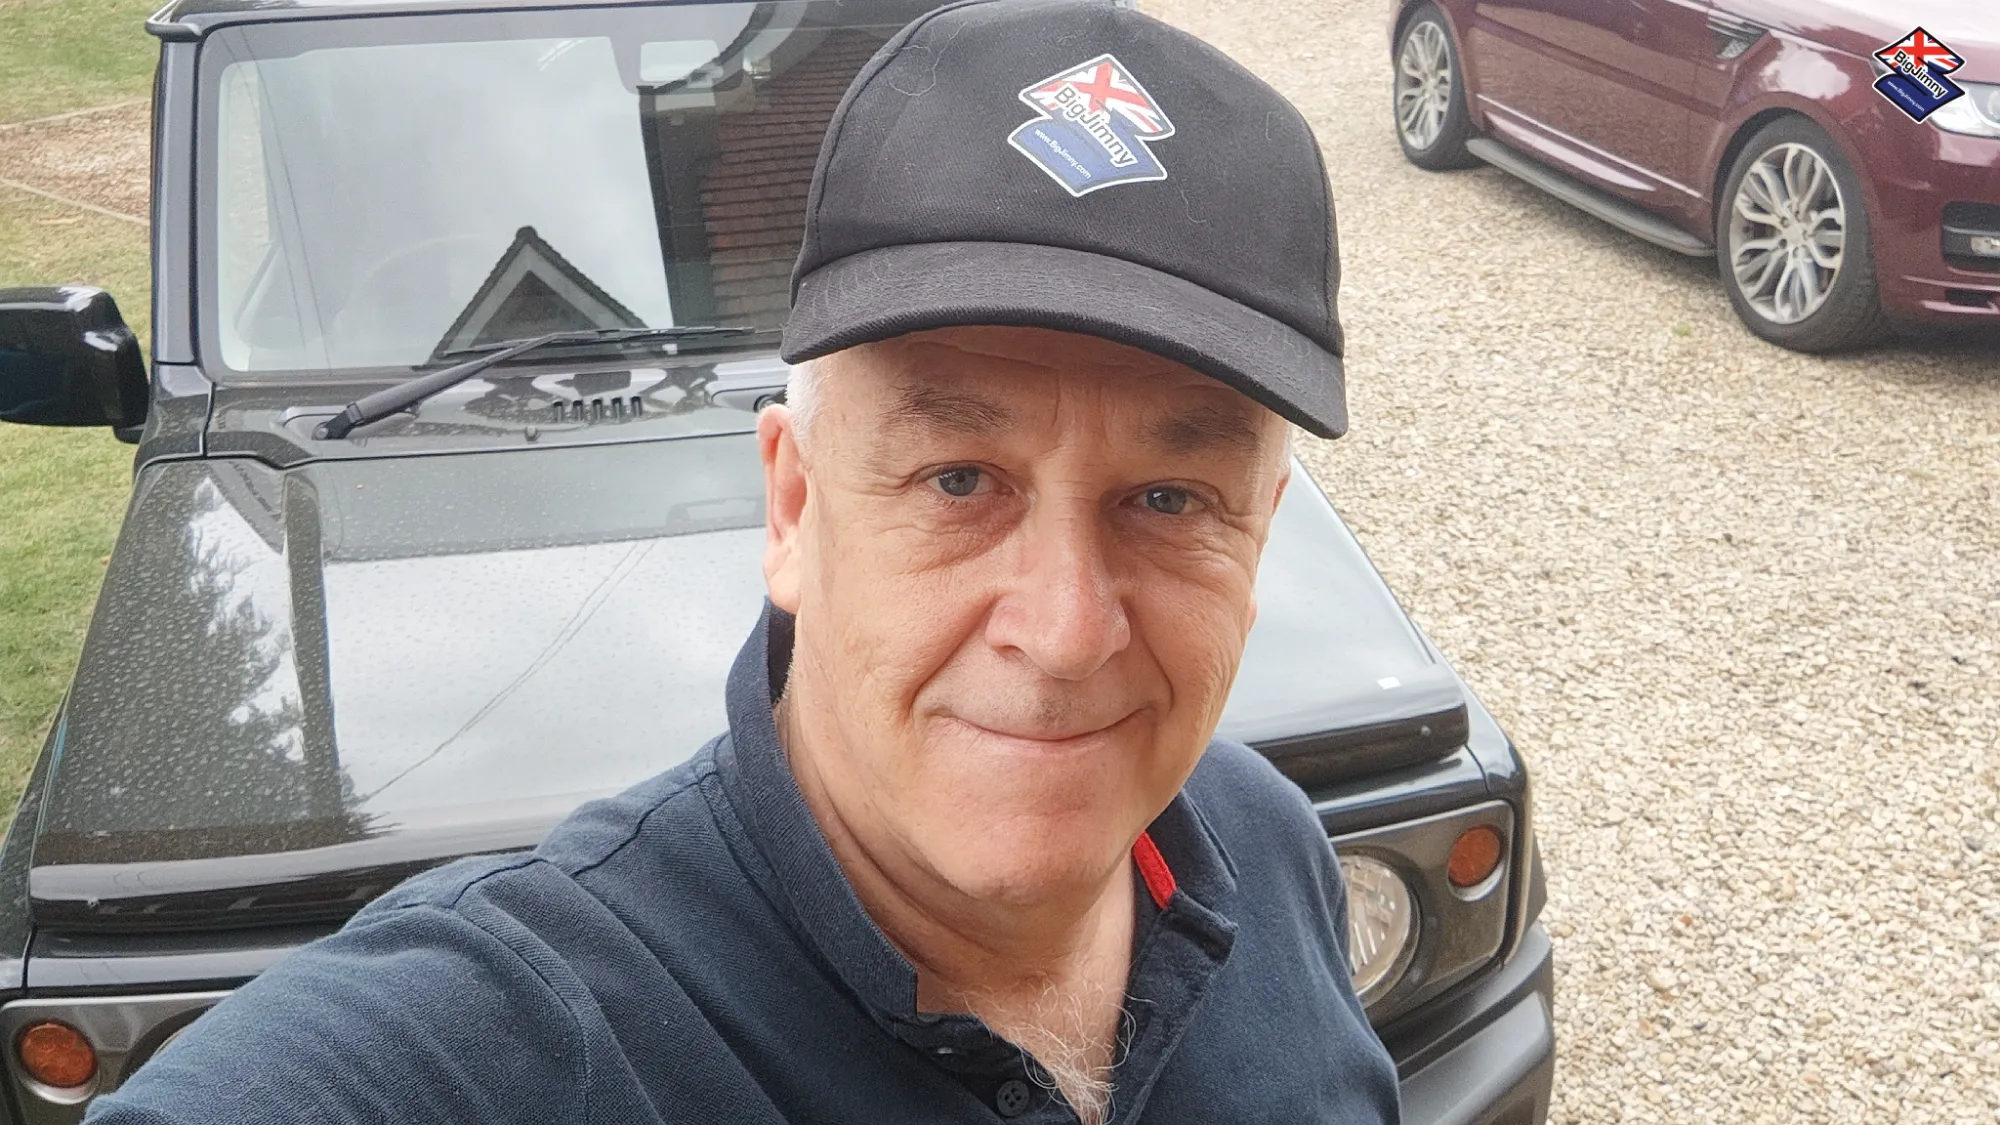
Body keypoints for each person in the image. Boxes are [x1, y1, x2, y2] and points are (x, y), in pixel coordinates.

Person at [88, 0, 1399, 1122]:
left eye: (1168, 498)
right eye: (958, 480)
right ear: (792, 504)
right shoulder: (516, 1035)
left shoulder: (1265, 845)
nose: (1062, 633)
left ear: (1258, 528)